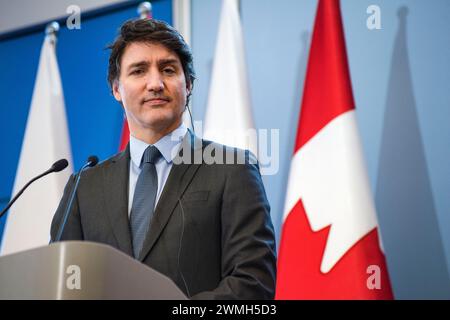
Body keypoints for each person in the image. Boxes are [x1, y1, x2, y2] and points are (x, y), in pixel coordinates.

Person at [50, 18, 276, 300]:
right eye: (139, 71)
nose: (155, 83)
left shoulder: (233, 168)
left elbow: (253, 285)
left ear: (189, 84)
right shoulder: (84, 187)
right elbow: (61, 285)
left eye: (168, 70)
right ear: (116, 89)